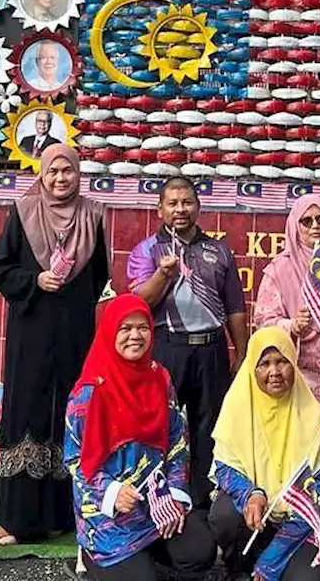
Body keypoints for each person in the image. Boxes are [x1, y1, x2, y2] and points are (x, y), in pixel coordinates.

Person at [0, 145, 109, 545]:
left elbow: (99, 276)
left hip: (75, 332)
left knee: (70, 414)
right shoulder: (22, 212)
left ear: (79, 174)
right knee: (27, 410)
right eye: (54, 171)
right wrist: (34, 281)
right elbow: (2, 268)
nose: (61, 179)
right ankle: (16, 519)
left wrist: (76, 305)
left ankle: (64, 514)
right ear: (42, 173)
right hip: (32, 329)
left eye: (69, 171)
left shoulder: (93, 215)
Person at [64, 295, 217, 581]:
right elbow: (74, 460)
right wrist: (111, 492)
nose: (135, 336)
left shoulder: (160, 378)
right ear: (110, 332)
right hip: (110, 514)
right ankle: (90, 556)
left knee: (200, 550)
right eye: (125, 329)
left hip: (156, 505)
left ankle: (145, 555)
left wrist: (173, 493)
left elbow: (177, 444)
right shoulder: (88, 393)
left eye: (142, 327)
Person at [128, 177, 249, 506]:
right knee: (160, 426)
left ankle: (201, 505)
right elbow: (140, 304)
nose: (180, 209)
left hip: (211, 350)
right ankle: (156, 499)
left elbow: (235, 308)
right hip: (167, 347)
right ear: (160, 209)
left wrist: (241, 353)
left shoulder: (219, 250)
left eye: (187, 202)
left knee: (209, 430)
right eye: (173, 203)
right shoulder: (147, 251)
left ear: (198, 206)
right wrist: (162, 275)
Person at [209, 327, 320, 581]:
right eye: (264, 363)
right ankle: (240, 569)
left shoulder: (313, 417)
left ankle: (267, 564)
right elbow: (224, 467)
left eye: (282, 362)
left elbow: (314, 495)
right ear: (251, 369)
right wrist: (251, 494)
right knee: (224, 515)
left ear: (294, 363)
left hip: (298, 523)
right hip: (254, 518)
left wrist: (272, 561)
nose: (274, 372)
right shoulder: (238, 406)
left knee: (312, 578)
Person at [253, 196, 320, 410]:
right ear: (295, 226)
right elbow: (263, 321)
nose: (315, 226)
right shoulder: (280, 270)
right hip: (303, 380)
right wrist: (291, 325)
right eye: (307, 221)